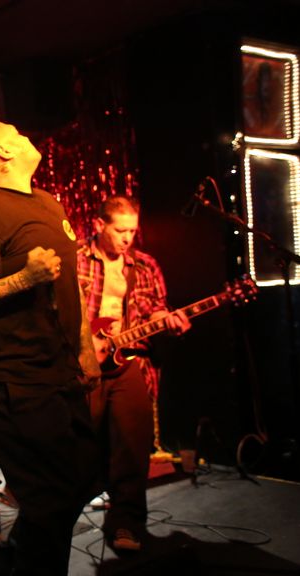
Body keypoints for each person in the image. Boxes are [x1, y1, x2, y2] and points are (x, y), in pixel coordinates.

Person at [0, 117, 100, 576]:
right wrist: (22, 279)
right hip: (17, 380)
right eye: (16, 133)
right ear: (4, 152)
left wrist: (85, 348)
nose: (27, 136)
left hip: (60, 371)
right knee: (51, 500)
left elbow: (68, 282)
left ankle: (10, 556)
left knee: (84, 479)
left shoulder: (47, 202)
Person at [76, 194, 190, 552]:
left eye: (132, 231)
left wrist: (165, 320)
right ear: (100, 225)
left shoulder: (145, 264)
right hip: (84, 364)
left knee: (133, 441)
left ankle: (126, 523)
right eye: (120, 230)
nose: (127, 238)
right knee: (80, 445)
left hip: (129, 362)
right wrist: (84, 345)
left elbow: (155, 308)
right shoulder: (76, 259)